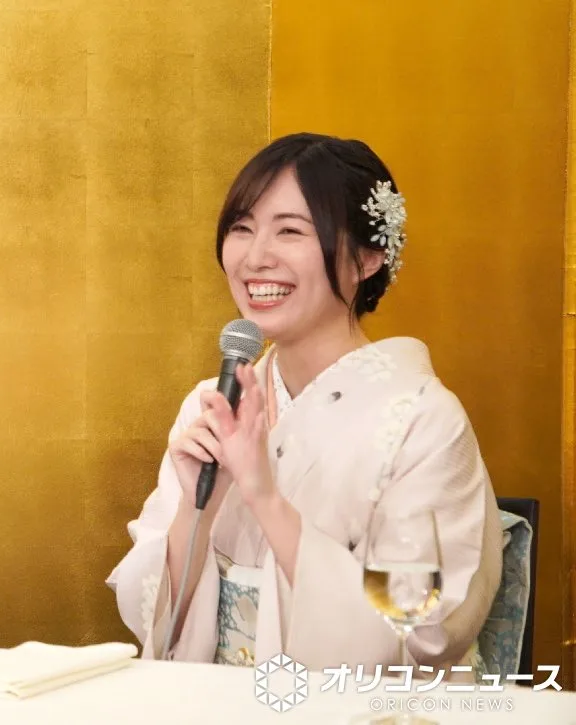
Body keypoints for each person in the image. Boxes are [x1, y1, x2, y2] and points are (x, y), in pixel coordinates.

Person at [106, 133, 502, 675]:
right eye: (241, 228)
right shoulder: (215, 403)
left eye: (290, 230)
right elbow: (152, 614)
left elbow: (421, 632)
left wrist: (264, 496)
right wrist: (200, 508)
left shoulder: (422, 420)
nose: (254, 257)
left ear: (367, 258)